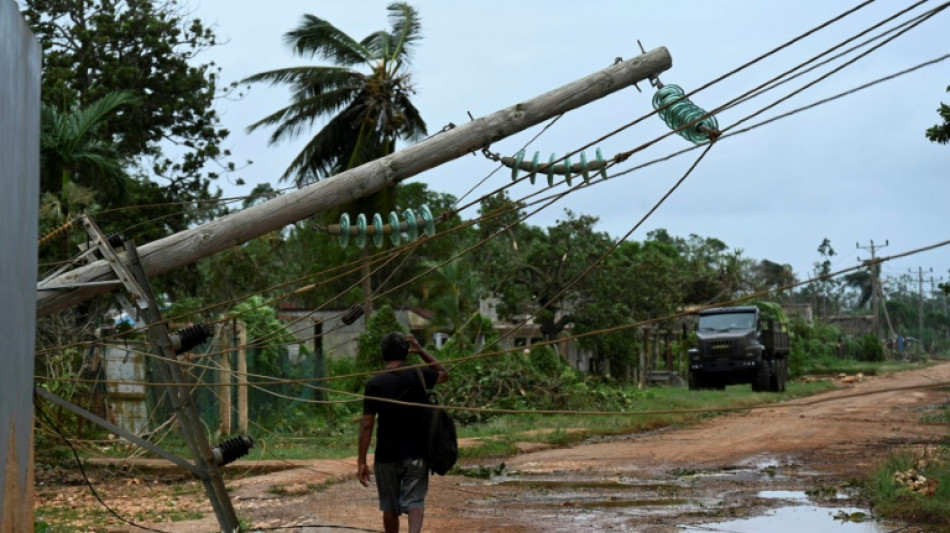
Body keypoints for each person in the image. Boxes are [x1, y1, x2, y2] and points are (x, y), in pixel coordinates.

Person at [358, 332, 449, 533]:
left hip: (386, 456)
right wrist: (422, 350)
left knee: (389, 506)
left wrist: (361, 461)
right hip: (416, 453)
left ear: (383, 354)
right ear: (407, 353)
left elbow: (366, 425)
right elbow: (444, 373)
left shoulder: (374, 384)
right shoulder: (419, 375)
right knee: (415, 501)